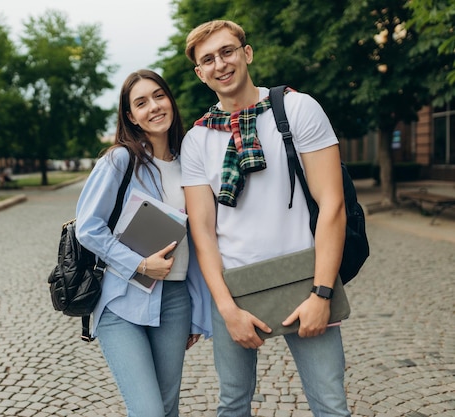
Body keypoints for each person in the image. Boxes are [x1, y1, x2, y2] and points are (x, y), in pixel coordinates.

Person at [180, 20, 350, 416]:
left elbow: (333, 206)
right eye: (208, 59)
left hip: (305, 283)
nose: (220, 64)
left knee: (330, 403)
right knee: (233, 404)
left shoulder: (296, 108)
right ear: (200, 74)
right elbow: (203, 232)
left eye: (227, 51)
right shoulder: (197, 140)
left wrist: (322, 294)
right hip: (234, 292)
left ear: (247, 53)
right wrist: (225, 309)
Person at [75, 69, 212, 417]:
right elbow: (88, 228)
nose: (153, 106)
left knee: (167, 410)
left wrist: (197, 311)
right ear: (131, 117)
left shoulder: (191, 163)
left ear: (170, 99)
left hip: (175, 302)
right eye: (141, 102)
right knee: (149, 412)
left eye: (158, 96)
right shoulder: (120, 160)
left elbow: (198, 241)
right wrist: (139, 263)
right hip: (122, 302)